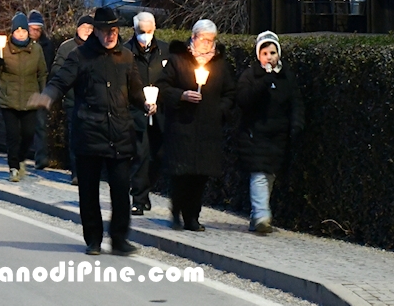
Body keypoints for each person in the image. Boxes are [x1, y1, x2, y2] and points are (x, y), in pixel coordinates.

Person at [30, 7, 152, 256]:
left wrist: (147, 103)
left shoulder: (127, 57)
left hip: (119, 133)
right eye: (106, 31)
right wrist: (47, 97)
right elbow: (60, 81)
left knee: (120, 191)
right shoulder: (80, 56)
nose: (110, 36)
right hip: (88, 133)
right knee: (88, 191)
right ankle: (93, 240)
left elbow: (136, 91)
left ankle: (119, 239)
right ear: (95, 31)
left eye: (114, 31)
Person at [157, 19, 236, 232]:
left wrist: (220, 109)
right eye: (203, 39)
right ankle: (177, 212)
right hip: (182, 126)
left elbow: (230, 92)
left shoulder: (219, 64)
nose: (206, 44)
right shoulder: (178, 60)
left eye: (211, 40)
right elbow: (162, 87)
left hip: (207, 130)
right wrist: (181, 95)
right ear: (193, 37)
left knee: (200, 176)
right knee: (181, 175)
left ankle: (193, 216)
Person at [237, 31, 304, 234]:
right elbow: (243, 100)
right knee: (259, 173)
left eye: (272, 52)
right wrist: (264, 82)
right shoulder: (250, 76)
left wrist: (296, 124)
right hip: (256, 133)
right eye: (265, 53)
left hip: (278, 135)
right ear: (259, 55)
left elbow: (295, 102)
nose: (269, 57)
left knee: (270, 174)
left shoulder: (287, 77)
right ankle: (262, 215)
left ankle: (257, 214)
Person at [0, 12, 47, 182]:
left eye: (23, 31)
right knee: (12, 134)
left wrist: (43, 93)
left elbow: (42, 72)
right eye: (17, 31)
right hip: (9, 98)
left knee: (28, 133)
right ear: (12, 32)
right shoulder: (3, 49)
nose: (21, 34)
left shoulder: (36, 49)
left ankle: (21, 158)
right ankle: (13, 166)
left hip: (30, 98)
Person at [126, 12, 169, 216]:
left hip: (160, 113)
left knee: (158, 156)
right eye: (141, 31)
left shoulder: (164, 51)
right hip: (136, 113)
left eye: (149, 31)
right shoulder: (126, 52)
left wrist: (158, 100)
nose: (145, 35)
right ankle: (139, 198)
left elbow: (169, 81)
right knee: (140, 156)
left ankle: (147, 189)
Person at [50, 14, 94, 185]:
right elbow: (56, 69)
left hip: (92, 100)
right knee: (74, 136)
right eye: (85, 28)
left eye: (91, 29)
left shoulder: (96, 49)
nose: (88, 32)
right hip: (72, 99)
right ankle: (76, 172)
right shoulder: (67, 47)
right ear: (77, 29)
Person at [27, 9, 55, 170]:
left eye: (37, 29)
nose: (34, 32)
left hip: (40, 88)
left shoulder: (47, 45)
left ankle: (41, 157)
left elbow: (47, 67)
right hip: (24, 87)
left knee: (40, 125)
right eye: (32, 29)